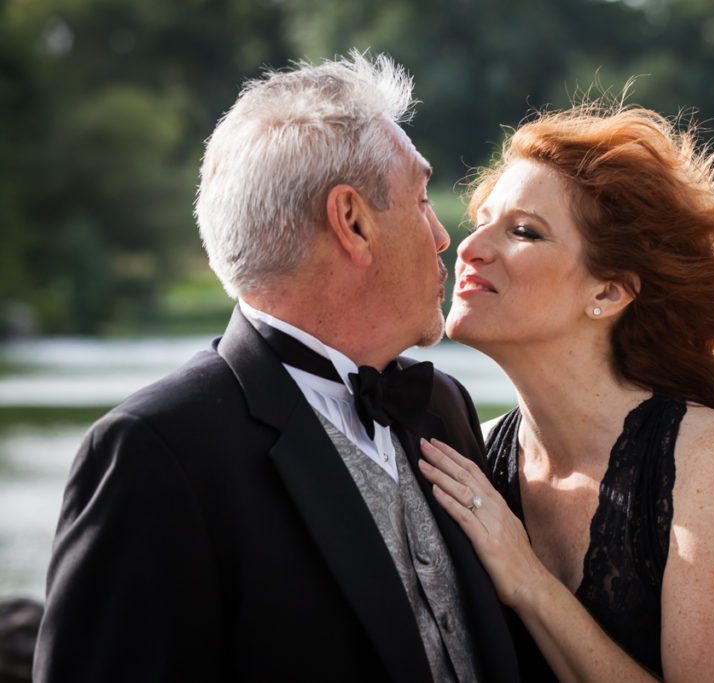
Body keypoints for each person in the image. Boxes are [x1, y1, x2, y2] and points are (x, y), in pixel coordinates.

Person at [33, 53, 519, 683]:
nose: (441, 237)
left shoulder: (440, 407)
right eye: (422, 199)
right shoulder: (153, 455)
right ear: (352, 222)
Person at [417, 104, 714, 682]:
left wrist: (526, 581)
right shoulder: (471, 457)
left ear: (609, 291)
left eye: (523, 231)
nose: (469, 246)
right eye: (482, 219)